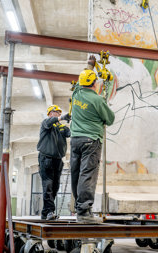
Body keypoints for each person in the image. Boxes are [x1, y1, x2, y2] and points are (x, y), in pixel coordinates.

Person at [69, 68, 115, 223]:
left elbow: (80, 84)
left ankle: (78, 207)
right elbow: (110, 119)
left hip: (75, 140)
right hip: (91, 140)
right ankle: (84, 212)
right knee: (87, 174)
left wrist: (91, 66)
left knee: (77, 173)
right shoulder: (97, 100)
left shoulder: (76, 94)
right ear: (95, 83)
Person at [37, 104, 71, 220]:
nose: (58, 114)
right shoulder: (46, 124)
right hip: (46, 158)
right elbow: (50, 122)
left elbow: (70, 132)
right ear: (50, 113)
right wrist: (61, 118)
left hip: (58, 160)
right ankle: (49, 211)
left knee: (55, 187)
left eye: (59, 113)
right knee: (48, 185)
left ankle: (46, 212)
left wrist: (74, 121)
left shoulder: (61, 128)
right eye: (56, 112)